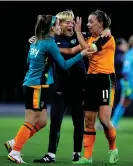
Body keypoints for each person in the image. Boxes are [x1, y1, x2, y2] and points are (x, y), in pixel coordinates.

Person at [5, 14, 91, 164]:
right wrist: (81, 54)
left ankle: (14, 142)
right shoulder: (49, 44)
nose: (59, 27)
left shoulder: (38, 41)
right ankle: (16, 151)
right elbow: (64, 65)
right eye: (58, 24)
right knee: (31, 120)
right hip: (35, 86)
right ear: (52, 28)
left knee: (43, 121)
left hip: (32, 84)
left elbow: (28, 61)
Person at [30, 10, 111, 163]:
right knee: (55, 120)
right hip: (60, 86)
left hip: (79, 86)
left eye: (72, 21)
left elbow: (98, 35)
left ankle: (76, 154)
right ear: (58, 24)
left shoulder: (81, 36)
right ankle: (51, 154)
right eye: (68, 21)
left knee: (79, 122)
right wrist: (38, 41)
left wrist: (107, 29)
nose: (72, 24)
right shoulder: (53, 39)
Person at [72, 9, 118, 165]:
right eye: (88, 21)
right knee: (89, 120)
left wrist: (78, 33)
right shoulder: (90, 36)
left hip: (106, 79)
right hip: (91, 79)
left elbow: (90, 51)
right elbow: (69, 42)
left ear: (101, 24)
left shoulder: (107, 37)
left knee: (104, 119)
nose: (88, 24)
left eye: (91, 21)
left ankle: (113, 149)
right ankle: (87, 157)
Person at [111, 35, 133, 128]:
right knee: (124, 102)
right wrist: (127, 85)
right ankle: (113, 123)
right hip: (129, 83)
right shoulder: (129, 54)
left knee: (124, 103)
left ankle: (113, 123)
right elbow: (125, 71)